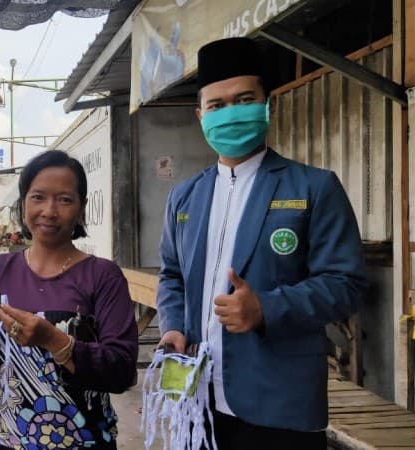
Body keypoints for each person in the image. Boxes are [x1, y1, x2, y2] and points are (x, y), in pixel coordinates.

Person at [156, 37, 367, 450]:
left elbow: (347, 284)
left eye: (244, 99)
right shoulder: (184, 197)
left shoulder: (313, 187)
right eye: (217, 105)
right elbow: (172, 275)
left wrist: (267, 307)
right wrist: (174, 327)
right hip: (198, 398)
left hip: (278, 404)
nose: (230, 113)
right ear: (200, 115)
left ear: (266, 104)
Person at [0, 150, 138, 449]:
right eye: (38, 197)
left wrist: (57, 342)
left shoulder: (103, 276)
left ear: (81, 208)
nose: (49, 211)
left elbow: (122, 372)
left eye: (65, 200)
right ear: (23, 203)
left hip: (80, 441)